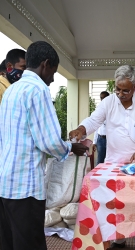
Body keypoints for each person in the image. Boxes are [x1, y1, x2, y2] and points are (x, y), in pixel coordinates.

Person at [0, 41, 88, 250]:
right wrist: (68, 148)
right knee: (29, 243)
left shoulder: (12, 90)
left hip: (6, 182)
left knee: (8, 242)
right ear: (45, 64)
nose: (53, 78)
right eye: (54, 72)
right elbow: (49, 141)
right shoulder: (37, 90)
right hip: (26, 187)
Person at [69, 65, 135, 249]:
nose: (120, 93)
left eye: (126, 90)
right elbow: (94, 120)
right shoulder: (108, 102)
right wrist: (81, 129)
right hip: (114, 163)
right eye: (117, 89)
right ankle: (118, 238)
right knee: (116, 201)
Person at [92, 91, 110, 165]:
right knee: (100, 161)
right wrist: (94, 142)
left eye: (104, 98)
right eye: (101, 98)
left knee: (110, 161)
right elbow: (96, 127)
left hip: (111, 140)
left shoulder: (113, 109)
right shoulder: (98, 110)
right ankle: (97, 176)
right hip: (100, 140)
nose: (103, 99)